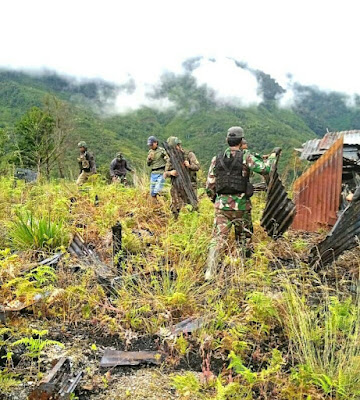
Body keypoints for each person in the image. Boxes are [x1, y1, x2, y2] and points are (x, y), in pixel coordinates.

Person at [205, 126, 280, 280]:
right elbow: (266, 169)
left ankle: (210, 272)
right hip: (241, 206)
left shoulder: (216, 158)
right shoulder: (246, 156)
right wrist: (273, 156)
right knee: (244, 237)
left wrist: (216, 200)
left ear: (227, 140)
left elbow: (209, 185)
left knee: (218, 239)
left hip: (221, 206)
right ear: (241, 141)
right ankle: (243, 270)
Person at [163, 136, 200, 218]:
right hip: (176, 186)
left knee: (193, 207)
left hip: (190, 184)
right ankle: (176, 225)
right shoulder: (171, 158)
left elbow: (197, 166)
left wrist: (189, 166)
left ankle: (195, 224)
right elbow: (164, 174)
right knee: (175, 209)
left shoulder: (189, 155)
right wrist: (170, 173)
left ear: (178, 145)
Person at [147, 136, 167, 201]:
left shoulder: (161, 150)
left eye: (152, 144)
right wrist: (149, 159)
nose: (151, 146)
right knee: (152, 192)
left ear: (155, 143)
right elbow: (148, 164)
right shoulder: (150, 152)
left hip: (161, 172)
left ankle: (164, 200)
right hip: (153, 173)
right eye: (149, 145)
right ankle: (155, 205)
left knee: (158, 189)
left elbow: (168, 158)